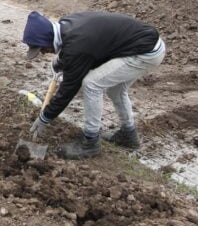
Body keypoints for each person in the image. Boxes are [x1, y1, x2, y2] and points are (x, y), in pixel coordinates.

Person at [23, 11, 165, 159]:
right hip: (141, 44)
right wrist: (62, 62)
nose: (44, 53)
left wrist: (46, 116)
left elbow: (69, 88)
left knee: (92, 84)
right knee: (115, 91)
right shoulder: (66, 24)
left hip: (145, 52)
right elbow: (85, 51)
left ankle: (90, 142)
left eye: (42, 49)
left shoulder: (78, 45)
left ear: (48, 38)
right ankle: (128, 134)